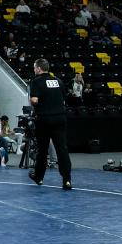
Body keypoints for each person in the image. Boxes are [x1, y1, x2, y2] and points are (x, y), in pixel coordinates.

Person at [28, 58, 72, 190]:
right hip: (60, 118)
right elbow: (64, 98)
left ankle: (39, 177)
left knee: (42, 149)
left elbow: (35, 100)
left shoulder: (36, 81)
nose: (34, 70)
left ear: (39, 69)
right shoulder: (58, 81)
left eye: (35, 68)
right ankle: (67, 180)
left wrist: (33, 101)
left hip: (44, 119)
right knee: (62, 149)